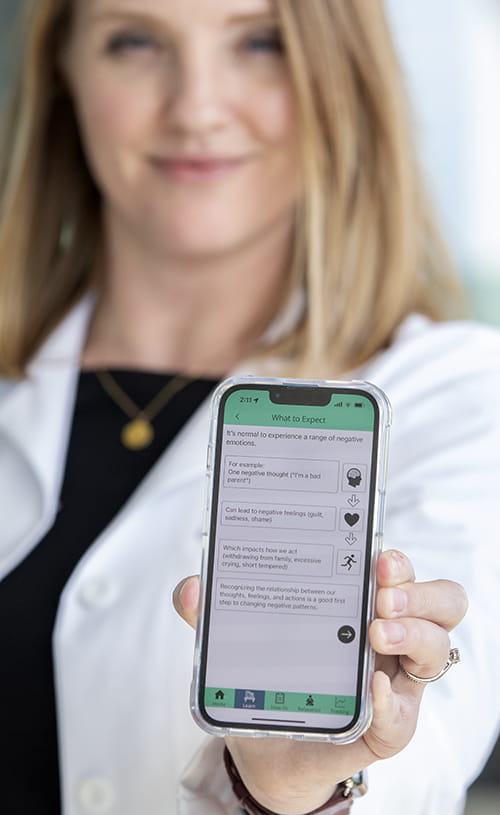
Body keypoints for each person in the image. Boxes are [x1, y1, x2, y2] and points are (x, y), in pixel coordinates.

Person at [0, 0, 498, 813]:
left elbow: (428, 750)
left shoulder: (455, 393)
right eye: (135, 42)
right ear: (63, 73)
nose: (196, 106)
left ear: (341, 77)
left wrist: (298, 779)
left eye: (259, 42)